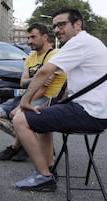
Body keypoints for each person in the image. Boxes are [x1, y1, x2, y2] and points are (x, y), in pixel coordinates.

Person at [12, 8, 107, 191]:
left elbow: (45, 71)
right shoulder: (90, 43)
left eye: (62, 24)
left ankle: (43, 177)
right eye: (54, 26)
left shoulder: (79, 43)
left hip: (89, 113)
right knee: (42, 116)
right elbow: (73, 89)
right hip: (97, 112)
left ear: (77, 24)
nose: (56, 30)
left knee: (20, 119)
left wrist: (25, 102)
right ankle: (48, 166)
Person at [0, 22, 67, 161]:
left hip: (46, 98)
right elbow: (23, 82)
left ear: (44, 37)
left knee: (18, 115)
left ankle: (15, 147)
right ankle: (30, 142)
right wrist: (36, 79)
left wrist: (21, 106)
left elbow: (42, 88)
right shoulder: (31, 57)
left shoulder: (54, 56)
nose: (29, 41)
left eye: (33, 37)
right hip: (27, 94)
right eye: (28, 37)